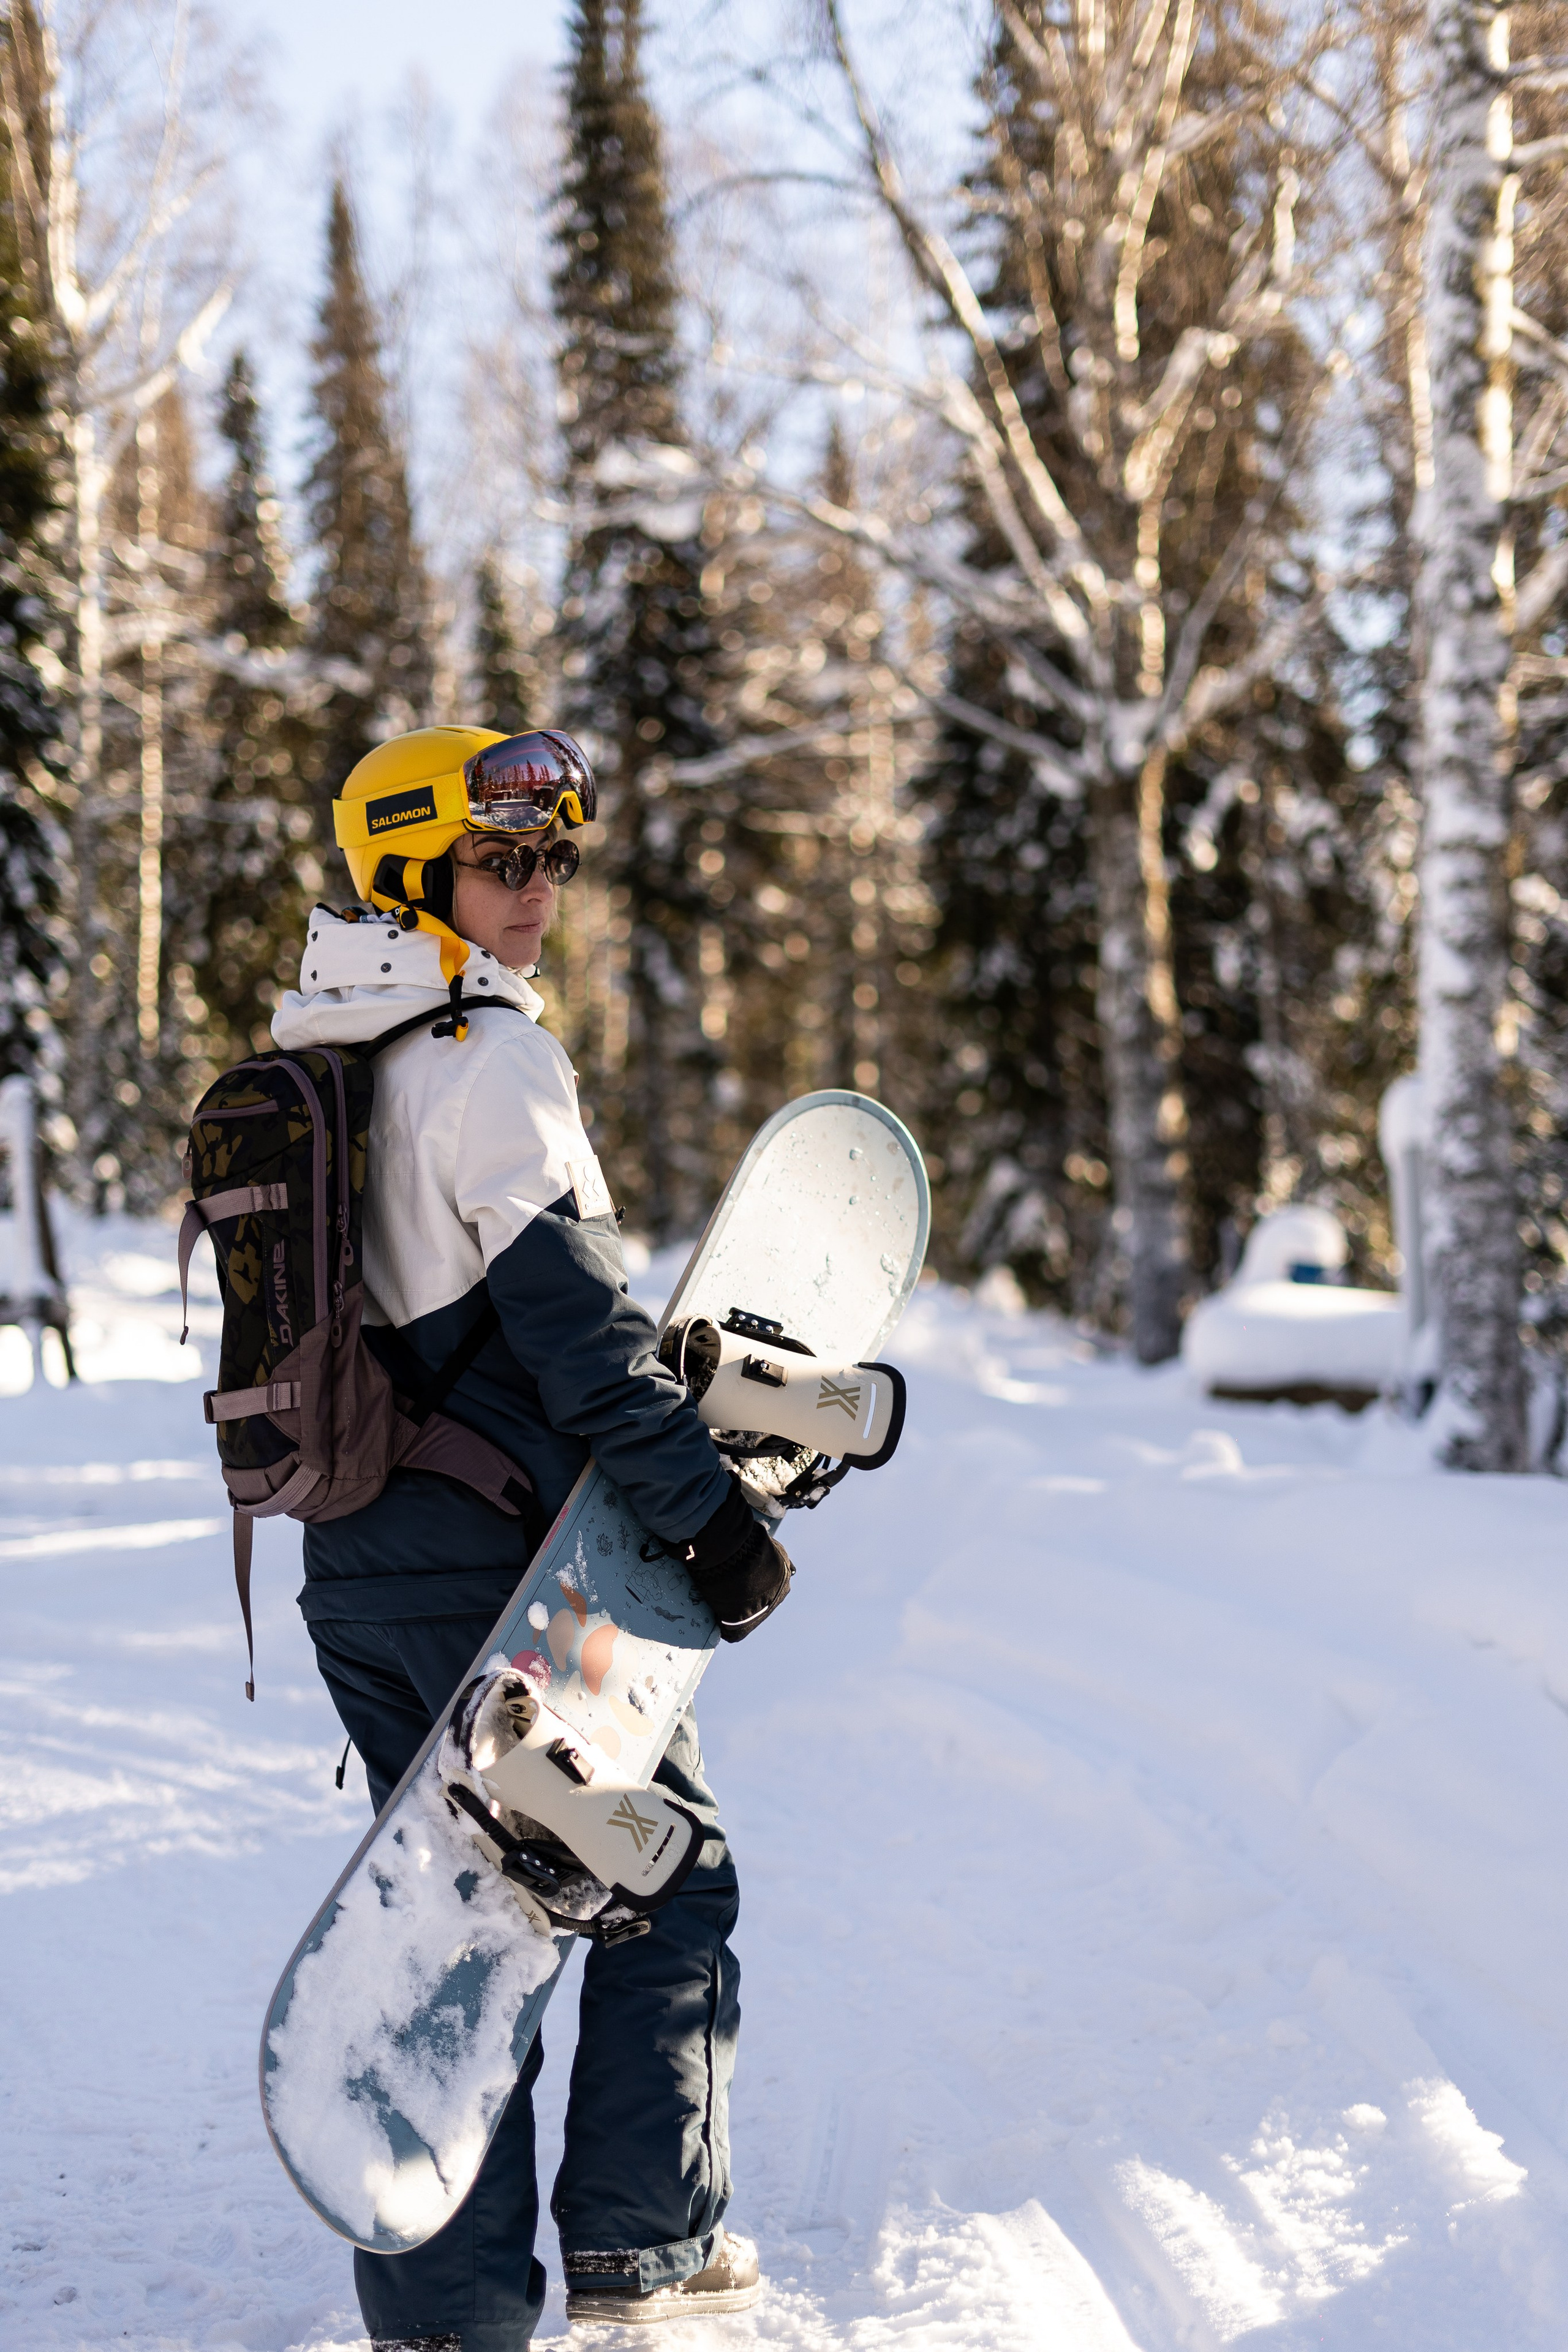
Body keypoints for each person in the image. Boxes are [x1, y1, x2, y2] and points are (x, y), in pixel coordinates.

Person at [270, 725, 793, 2350]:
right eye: (506, 860)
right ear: (418, 871)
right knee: (668, 1876)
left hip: (358, 1568)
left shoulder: (326, 1057)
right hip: (508, 1580)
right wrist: (708, 1516)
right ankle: (645, 2237)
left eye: (557, 858)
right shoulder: (486, 1058)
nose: (540, 890)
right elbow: (577, 1336)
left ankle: (449, 2314)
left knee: (454, 1918)